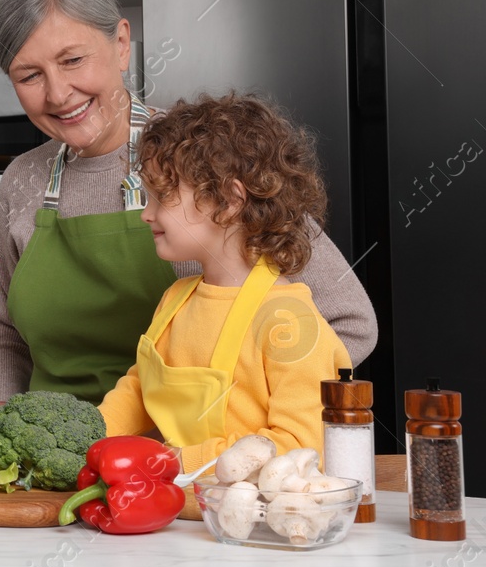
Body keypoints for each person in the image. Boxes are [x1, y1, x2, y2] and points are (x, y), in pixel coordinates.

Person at [0, 0, 376, 409]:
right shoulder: (23, 179)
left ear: (122, 43)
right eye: (29, 75)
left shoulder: (203, 154)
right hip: (49, 468)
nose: (57, 93)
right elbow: (10, 330)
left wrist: (237, 416)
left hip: (189, 463)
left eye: (72, 60)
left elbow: (348, 321)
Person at [98, 94, 351, 471]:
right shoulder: (177, 299)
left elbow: (301, 446)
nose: (145, 214)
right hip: (170, 511)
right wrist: (91, 435)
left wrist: (174, 463)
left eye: (162, 197)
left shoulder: (289, 321)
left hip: (246, 523)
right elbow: (138, 389)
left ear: (230, 201)